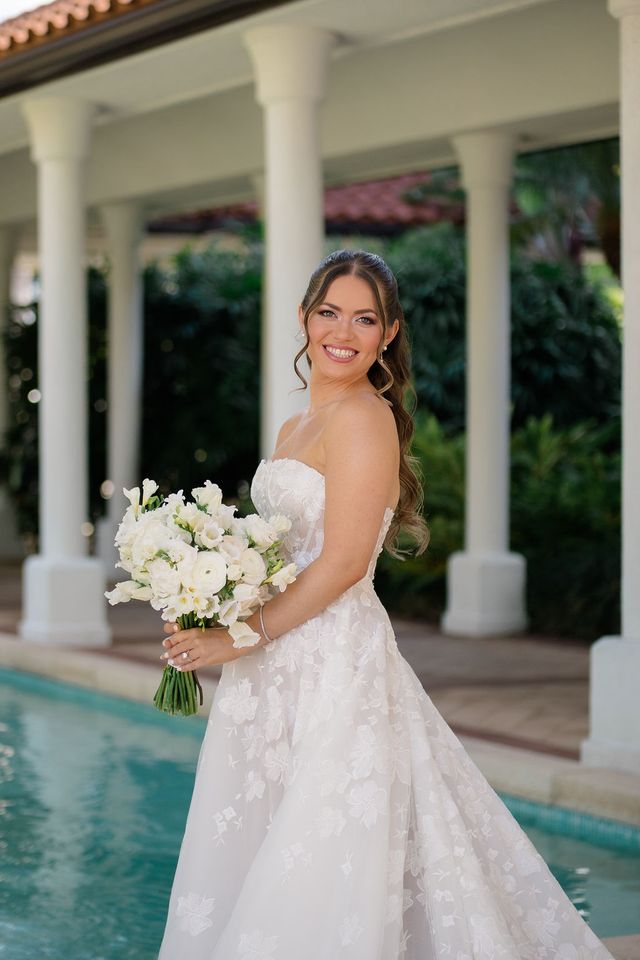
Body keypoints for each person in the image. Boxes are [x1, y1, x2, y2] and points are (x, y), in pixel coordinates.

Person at [157, 250, 615, 959]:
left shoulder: (364, 417)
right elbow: (281, 556)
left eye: (365, 318)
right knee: (271, 832)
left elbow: (341, 564)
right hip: (274, 663)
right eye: (330, 312)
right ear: (305, 318)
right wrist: (206, 600)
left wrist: (240, 636)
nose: (344, 331)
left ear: (389, 334)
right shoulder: (294, 428)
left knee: (324, 847)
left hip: (335, 661)